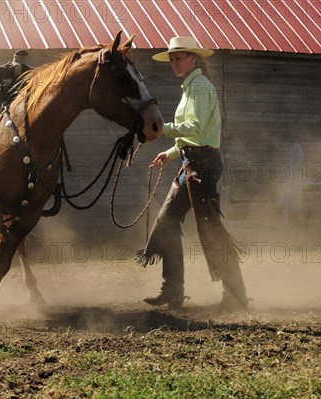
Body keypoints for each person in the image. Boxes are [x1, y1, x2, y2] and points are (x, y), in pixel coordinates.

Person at [135, 36, 249, 310]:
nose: (174, 62)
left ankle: (236, 297)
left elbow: (195, 128)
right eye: (172, 58)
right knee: (165, 223)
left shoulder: (198, 87)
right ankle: (173, 292)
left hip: (203, 165)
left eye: (179, 57)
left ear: (193, 59)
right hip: (192, 164)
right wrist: (171, 152)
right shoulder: (192, 87)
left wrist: (163, 129)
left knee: (211, 230)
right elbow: (194, 133)